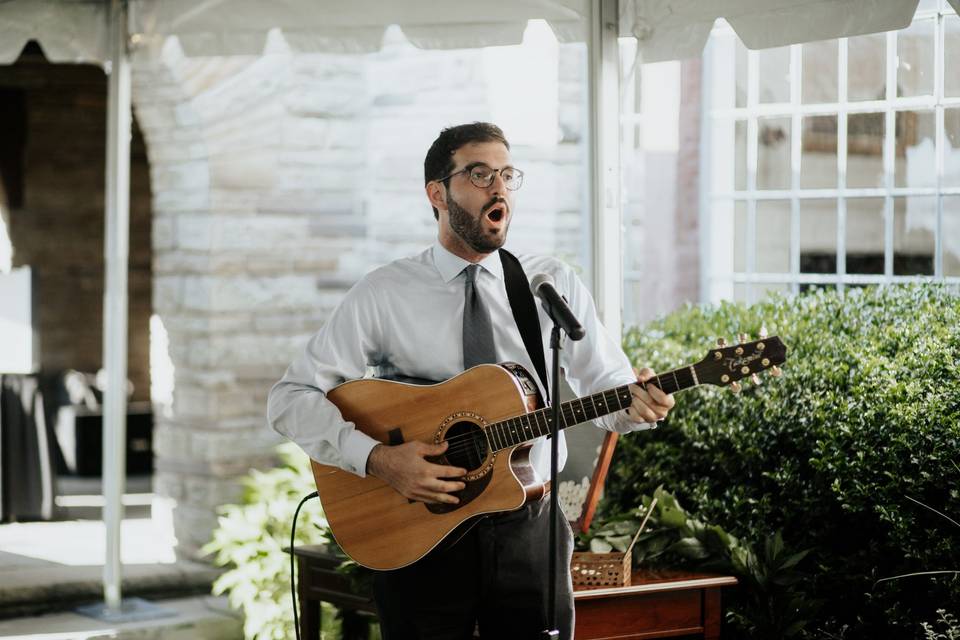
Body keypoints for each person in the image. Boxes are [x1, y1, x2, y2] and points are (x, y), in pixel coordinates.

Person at [268, 122, 675, 639]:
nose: (499, 187)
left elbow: (606, 385)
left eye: (507, 174)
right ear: (437, 193)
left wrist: (640, 405)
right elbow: (289, 398)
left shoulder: (548, 283)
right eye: (480, 174)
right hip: (418, 526)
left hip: (529, 527)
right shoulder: (385, 293)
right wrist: (378, 458)